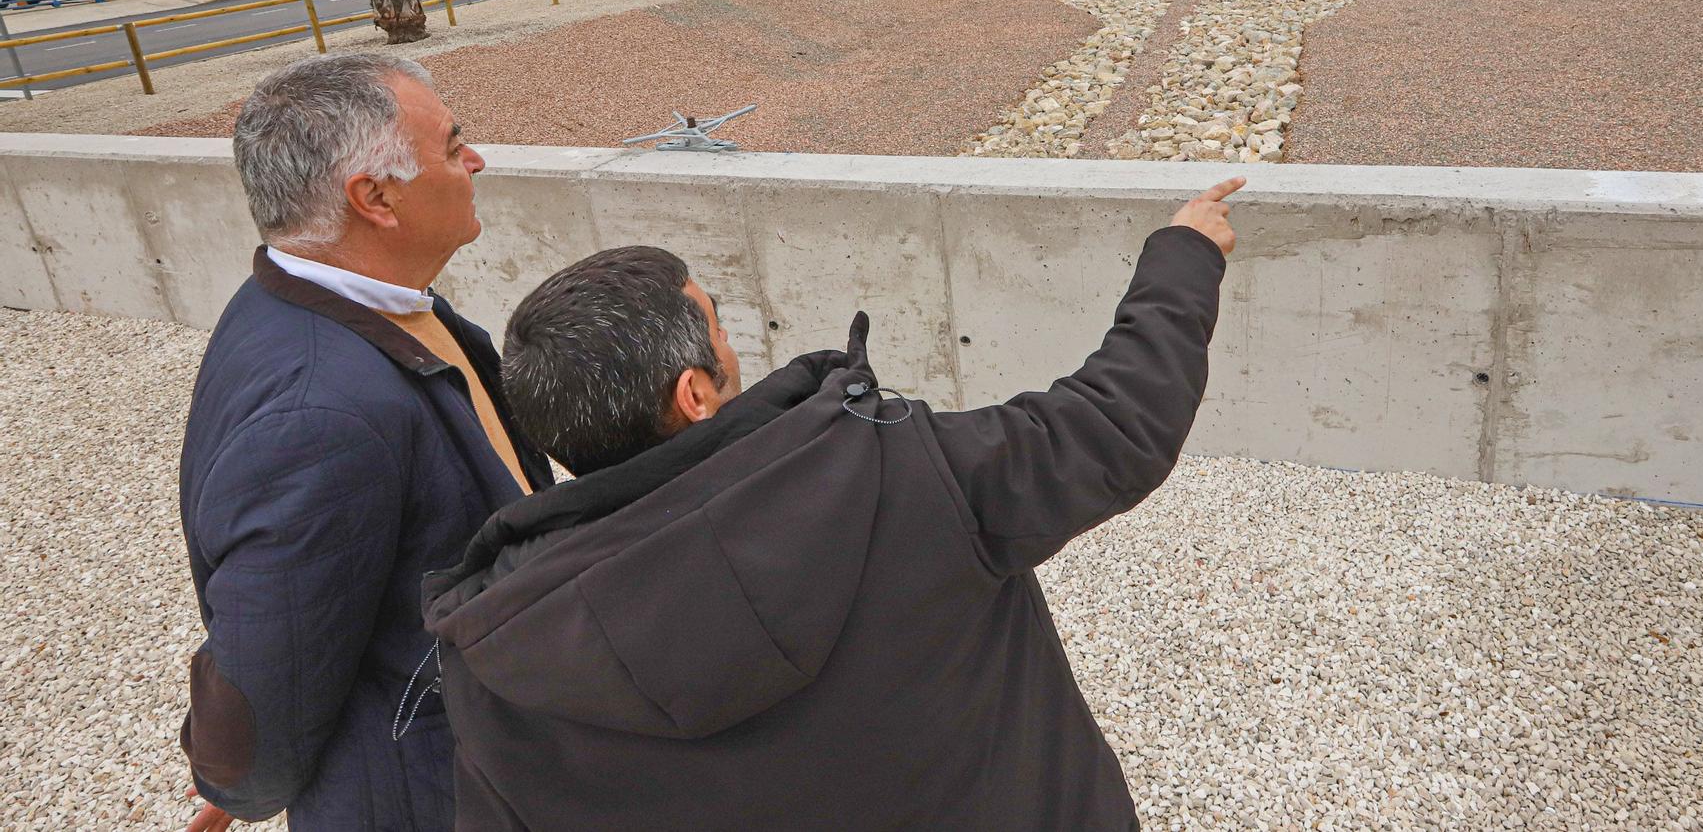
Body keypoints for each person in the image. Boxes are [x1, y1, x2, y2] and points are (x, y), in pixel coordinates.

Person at [422, 178, 1244, 830]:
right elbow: (1115, 424)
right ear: (695, 392)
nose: (733, 342)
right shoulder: (906, 471)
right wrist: (1183, 258)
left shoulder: (501, 654)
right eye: (718, 325)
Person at [178, 53, 553, 831]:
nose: (475, 160)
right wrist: (234, 773)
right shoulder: (322, 417)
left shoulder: (330, 300)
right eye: (452, 147)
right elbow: (255, 727)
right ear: (376, 198)